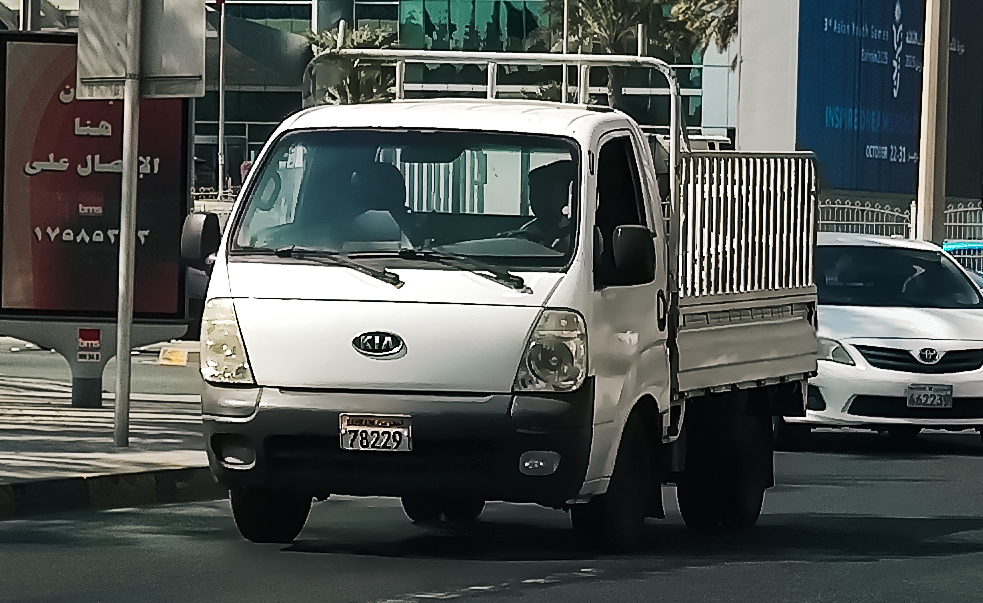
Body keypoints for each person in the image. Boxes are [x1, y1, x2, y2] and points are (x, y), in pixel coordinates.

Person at [499, 160, 576, 250]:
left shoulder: (578, 235)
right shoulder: (522, 234)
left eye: (547, 192)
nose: (538, 200)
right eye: (534, 193)